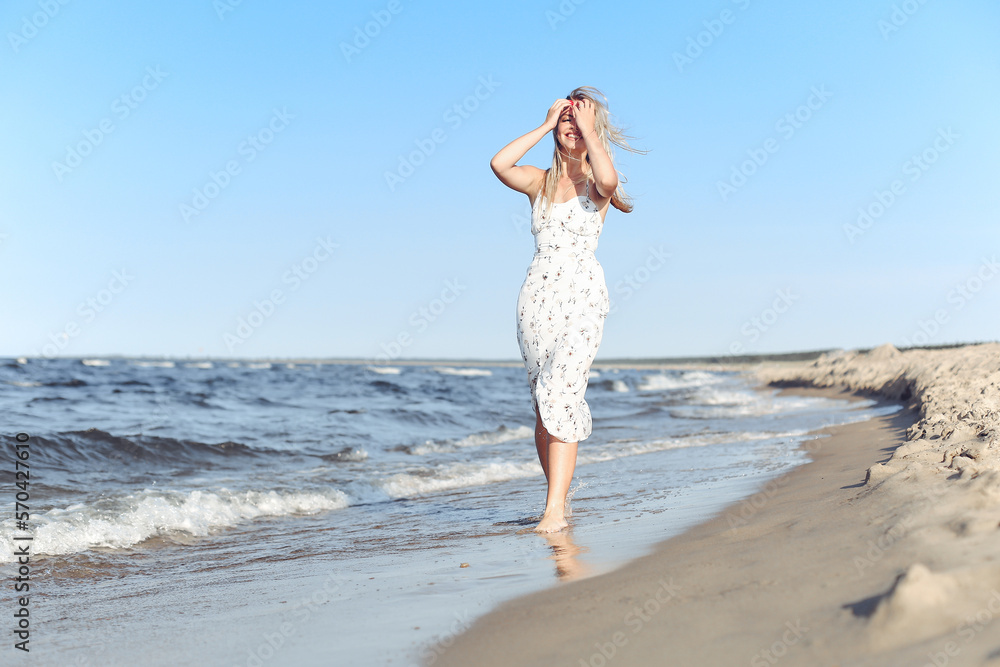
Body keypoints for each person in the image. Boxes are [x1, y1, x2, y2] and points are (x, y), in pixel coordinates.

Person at [489, 86, 641, 533]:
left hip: (582, 296)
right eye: (566, 122)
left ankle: (554, 511)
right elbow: (499, 164)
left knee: (561, 395)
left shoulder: (597, 184)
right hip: (535, 299)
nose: (572, 129)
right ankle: (557, 499)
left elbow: (611, 183)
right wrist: (544, 122)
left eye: (580, 122)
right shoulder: (539, 181)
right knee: (543, 406)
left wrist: (590, 130)